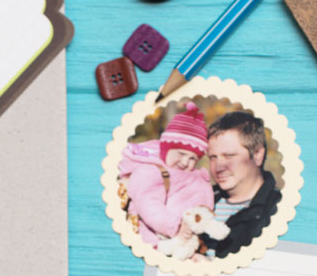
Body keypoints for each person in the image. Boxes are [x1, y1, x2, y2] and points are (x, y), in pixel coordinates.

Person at [118, 102, 215, 246]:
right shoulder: (151, 171)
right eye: (181, 153)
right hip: (155, 238)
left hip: (184, 239)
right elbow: (148, 204)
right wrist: (175, 227)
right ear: (166, 148)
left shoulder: (186, 174)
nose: (184, 161)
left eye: (193, 158)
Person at [197, 110, 282, 258]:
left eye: (229, 155)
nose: (218, 167)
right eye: (213, 157)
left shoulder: (277, 211)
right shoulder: (198, 200)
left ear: (257, 155)